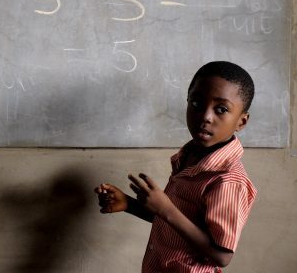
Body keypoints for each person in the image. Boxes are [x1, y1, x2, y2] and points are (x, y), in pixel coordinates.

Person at [95, 61, 257, 272]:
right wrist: (129, 204)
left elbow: (222, 255)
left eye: (221, 109)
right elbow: (174, 222)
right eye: (197, 104)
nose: (206, 117)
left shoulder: (228, 180)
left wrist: (166, 208)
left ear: (241, 122)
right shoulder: (189, 157)